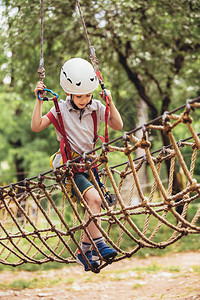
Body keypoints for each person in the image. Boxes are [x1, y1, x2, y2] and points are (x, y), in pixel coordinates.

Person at [31, 57, 123, 271]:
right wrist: (38, 100)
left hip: (90, 165)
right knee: (94, 199)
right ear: (69, 92)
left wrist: (110, 102)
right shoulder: (59, 110)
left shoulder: (95, 107)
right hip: (69, 168)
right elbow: (36, 126)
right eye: (79, 95)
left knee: (95, 207)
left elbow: (118, 125)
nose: (84, 99)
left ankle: (84, 250)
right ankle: (99, 244)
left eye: (88, 94)